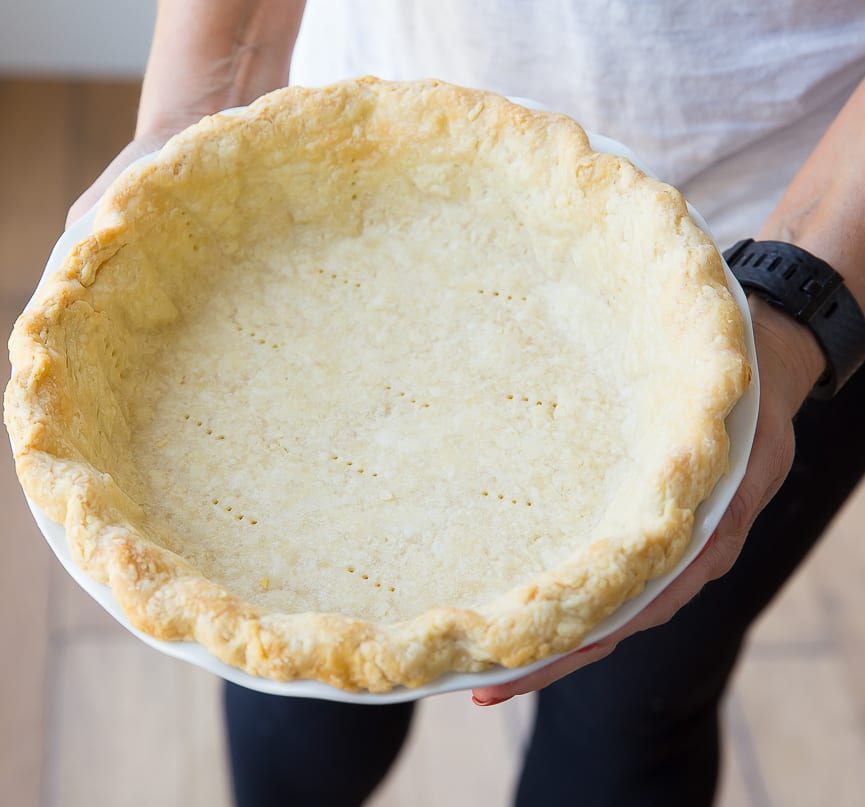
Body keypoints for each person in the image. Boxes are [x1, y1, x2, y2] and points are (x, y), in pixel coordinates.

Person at [68, 2, 865, 804]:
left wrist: (801, 301)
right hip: (338, 170)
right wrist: (201, 117)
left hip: (796, 235)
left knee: (632, 703)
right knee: (282, 655)